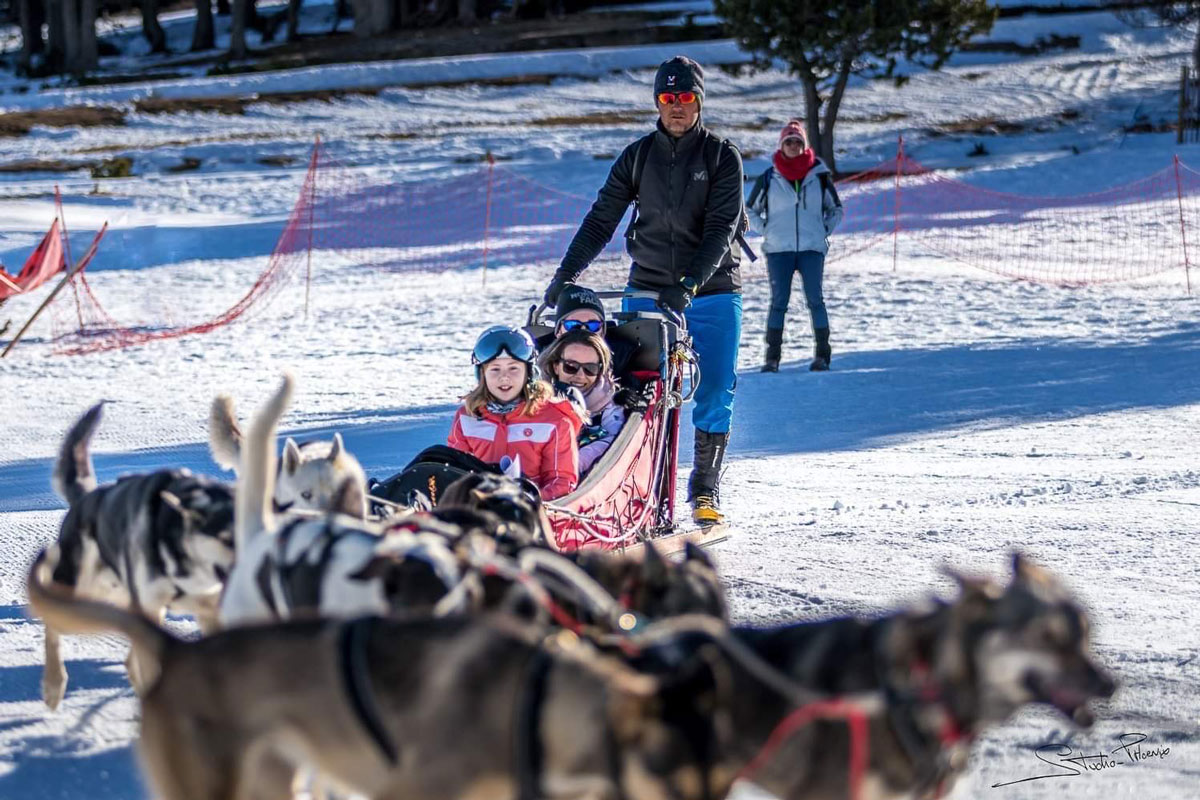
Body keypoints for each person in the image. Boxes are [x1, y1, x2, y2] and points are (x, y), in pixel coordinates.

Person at [543, 55, 744, 526]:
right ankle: (637, 489)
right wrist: (565, 276)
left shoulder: (720, 156)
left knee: (714, 387)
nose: (677, 107)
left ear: (699, 102)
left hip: (711, 288)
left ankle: (705, 490)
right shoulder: (638, 157)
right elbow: (601, 220)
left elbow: (721, 228)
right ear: (657, 102)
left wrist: (689, 285)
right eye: (668, 98)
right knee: (638, 391)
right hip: (648, 288)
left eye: (686, 98)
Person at [747, 119, 844, 372]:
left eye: (797, 141)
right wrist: (766, 230)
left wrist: (823, 229)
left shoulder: (819, 176)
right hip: (779, 250)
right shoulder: (769, 177)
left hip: (812, 249)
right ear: (781, 145)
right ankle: (772, 358)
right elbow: (750, 210)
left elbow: (835, 209)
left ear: (804, 145)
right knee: (779, 302)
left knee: (816, 300)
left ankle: (823, 355)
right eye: (788, 141)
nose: (793, 145)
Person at [448, 325, 583, 500]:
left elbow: (562, 480)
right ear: (482, 374)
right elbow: (455, 472)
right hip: (479, 513)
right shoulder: (467, 417)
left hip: (532, 514)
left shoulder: (555, 420)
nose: (504, 377)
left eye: (513, 368)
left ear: (528, 372)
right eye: (495, 369)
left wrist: (531, 500)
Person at [538, 329, 626, 474]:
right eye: (571, 367)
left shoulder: (609, 404)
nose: (580, 375)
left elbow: (614, 442)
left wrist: (574, 463)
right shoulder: (535, 396)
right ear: (556, 366)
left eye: (590, 369)